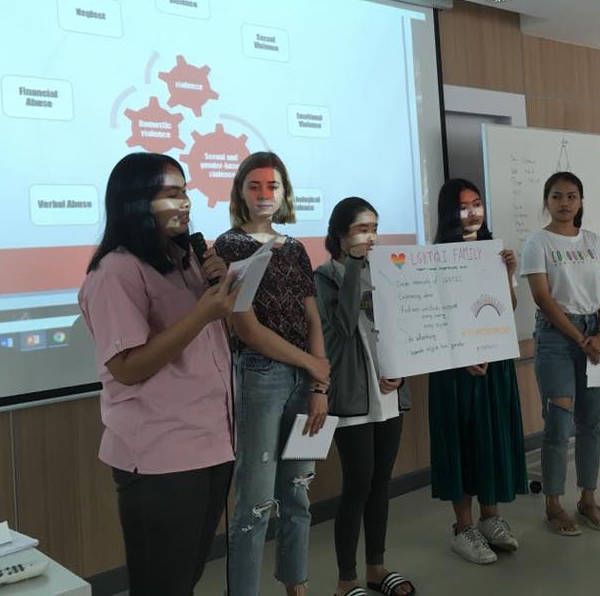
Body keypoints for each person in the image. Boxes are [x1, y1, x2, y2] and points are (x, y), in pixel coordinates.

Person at [78, 153, 239, 596]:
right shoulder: (115, 271)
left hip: (212, 440)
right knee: (161, 584)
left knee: (185, 577)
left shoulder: (187, 260)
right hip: (160, 452)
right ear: (135, 203)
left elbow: (214, 341)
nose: (185, 203)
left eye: (185, 192)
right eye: (170, 194)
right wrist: (202, 313)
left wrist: (221, 291)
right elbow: (127, 368)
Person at [215, 151, 330, 596]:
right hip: (261, 375)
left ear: (285, 193)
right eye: (255, 185)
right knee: (255, 504)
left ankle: (295, 583)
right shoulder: (229, 247)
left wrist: (319, 384)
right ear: (240, 193)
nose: (264, 194)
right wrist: (311, 364)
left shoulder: (295, 248)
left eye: (273, 186)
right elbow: (246, 328)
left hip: (307, 382)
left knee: (298, 490)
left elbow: (312, 317)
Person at [314, 197, 415, 596]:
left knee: (380, 483)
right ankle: (346, 580)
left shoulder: (384, 271)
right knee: (357, 485)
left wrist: (400, 370)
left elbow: (401, 325)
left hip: (388, 390)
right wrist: (355, 264)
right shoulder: (324, 277)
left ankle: (377, 568)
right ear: (341, 235)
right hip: (352, 395)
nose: (370, 237)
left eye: (374, 229)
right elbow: (341, 324)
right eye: (361, 229)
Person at [428, 178, 525, 565]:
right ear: (448, 213)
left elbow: (507, 306)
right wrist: (461, 354)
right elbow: (431, 316)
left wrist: (507, 274)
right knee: (461, 440)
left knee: (491, 436)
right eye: (463, 206)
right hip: (455, 368)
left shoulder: (493, 251)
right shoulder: (434, 257)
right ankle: (463, 527)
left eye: (477, 204)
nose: (473, 212)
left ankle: (490, 519)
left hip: (493, 360)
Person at [521, 172, 600, 535]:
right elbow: (542, 298)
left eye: (572, 196)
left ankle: (588, 499)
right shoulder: (537, 242)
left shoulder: (593, 241)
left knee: (591, 422)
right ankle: (554, 505)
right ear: (546, 201)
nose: (564, 203)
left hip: (595, 335)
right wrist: (580, 337)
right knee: (559, 424)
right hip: (556, 337)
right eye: (557, 196)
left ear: (581, 201)